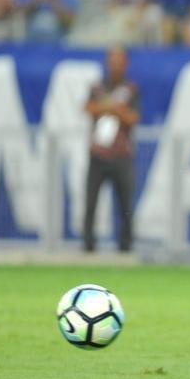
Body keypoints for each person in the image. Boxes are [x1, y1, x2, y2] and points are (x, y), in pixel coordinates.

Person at [82, 47, 140, 253]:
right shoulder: (98, 87)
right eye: (112, 60)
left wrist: (110, 108)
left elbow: (132, 118)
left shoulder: (131, 89)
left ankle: (126, 245)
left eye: (119, 61)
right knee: (91, 202)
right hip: (98, 154)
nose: (115, 65)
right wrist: (114, 108)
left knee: (125, 204)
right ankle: (88, 245)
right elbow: (88, 108)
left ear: (125, 64)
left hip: (121, 155)